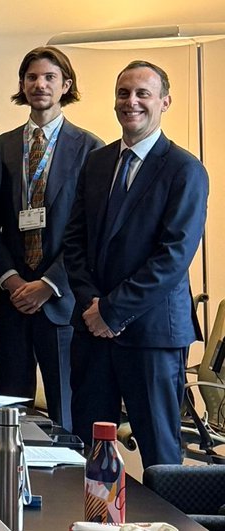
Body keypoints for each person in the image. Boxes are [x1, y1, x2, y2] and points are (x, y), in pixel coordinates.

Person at [63, 60, 207, 467]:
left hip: (152, 334)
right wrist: (94, 307)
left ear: (165, 101)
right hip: (92, 331)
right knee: (88, 454)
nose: (132, 102)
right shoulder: (97, 162)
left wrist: (113, 311)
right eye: (123, 93)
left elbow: (173, 256)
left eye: (143, 93)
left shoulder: (185, 169)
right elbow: (74, 243)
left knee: (160, 455)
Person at [0, 48, 102, 431]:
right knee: (8, 412)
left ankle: (70, 489)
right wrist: (11, 279)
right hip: (12, 299)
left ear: (66, 85)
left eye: (50, 77)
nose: (40, 85)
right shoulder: (0, 147)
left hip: (62, 302)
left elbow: (89, 232)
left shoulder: (91, 149)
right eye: (32, 77)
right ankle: (10, 485)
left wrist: (48, 284)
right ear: (22, 84)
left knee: (67, 412)